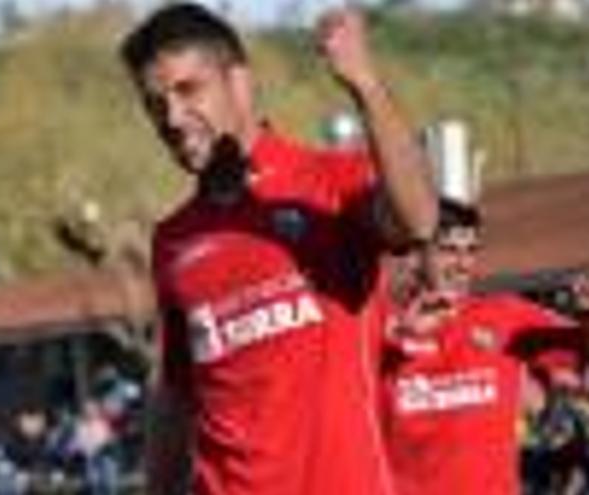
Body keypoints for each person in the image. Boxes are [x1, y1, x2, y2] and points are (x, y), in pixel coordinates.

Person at [119, 3, 438, 495]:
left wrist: (366, 84)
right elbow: (179, 393)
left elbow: (419, 219)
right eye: (155, 104)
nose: (173, 118)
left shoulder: (330, 182)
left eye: (188, 90)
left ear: (239, 83)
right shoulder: (173, 240)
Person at [378, 198, 589, 495]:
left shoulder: (504, 315)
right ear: (417, 255)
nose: (462, 264)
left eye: (471, 251)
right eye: (449, 250)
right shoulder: (379, 326)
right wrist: (402, 335)